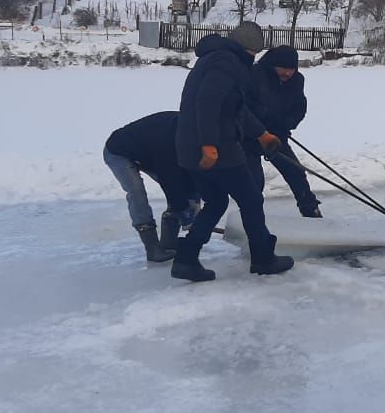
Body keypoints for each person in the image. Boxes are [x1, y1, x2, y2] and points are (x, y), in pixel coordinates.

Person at [172, 21, 294, 282]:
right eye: (254, 54)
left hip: (189, 147)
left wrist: (261, 134)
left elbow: (235, 108)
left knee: (216, 201)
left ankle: (186, 258)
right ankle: (263, 258)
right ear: (249, 50)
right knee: (251, 199)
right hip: (218, 147)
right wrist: (208, 144)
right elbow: (208, 102)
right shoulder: (227, 63)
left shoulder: (216, 59)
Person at [103, 111, 200, 262]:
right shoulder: (168, 141)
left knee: (184, 186)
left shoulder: (194, 132)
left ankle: (169, 243)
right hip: (119, 152)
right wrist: (183, 209)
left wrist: (192, 201)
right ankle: (152, 248)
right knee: (137, 193)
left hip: (147, 152)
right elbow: (170, 179)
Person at [246, 45, 323, 218]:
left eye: (292, 69)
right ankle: (253, 221)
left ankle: (310, 210)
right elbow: (245, 106)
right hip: (250, 137)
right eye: (284, 69)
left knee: (295, 172)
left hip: (277, 137)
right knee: (254, 181)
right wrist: (265, 120)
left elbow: (299, 107)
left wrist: (288, 123)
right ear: (273, 65)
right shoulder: (254, 74)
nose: (288, 74)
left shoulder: (297, 80)